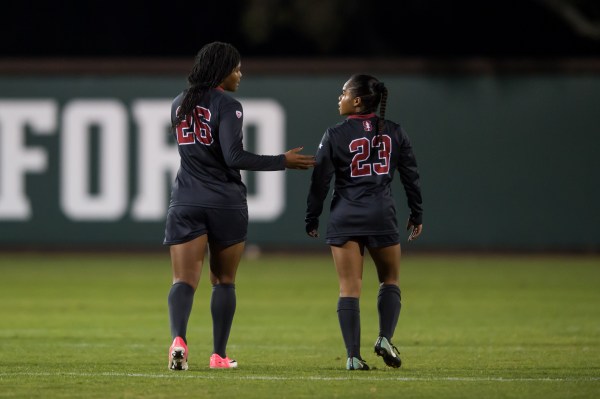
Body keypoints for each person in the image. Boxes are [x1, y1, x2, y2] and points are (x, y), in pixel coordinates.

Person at [164, 41, 315, 371]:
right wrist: (282, 161)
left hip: (186, 199)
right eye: (236, 68)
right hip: (224, 203)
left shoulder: (178, 104)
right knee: (224, 280)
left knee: (183, 280)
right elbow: (233, 157)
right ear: (222, 71)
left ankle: (178, 340)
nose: (240, 74)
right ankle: (218, 355)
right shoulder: (228, 105)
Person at [305, 74, 423, 370]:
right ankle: (384, 338)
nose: (339, 98)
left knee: (348, 288)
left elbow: (320, 181)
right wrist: (417, 213)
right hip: (382, 215)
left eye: (343, 93)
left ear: (357, 100)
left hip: (346, 215)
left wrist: (312, 216)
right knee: (390, 280)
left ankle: (353, 357)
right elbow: (411, 177)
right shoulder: (395, 132)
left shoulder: (335, 134)